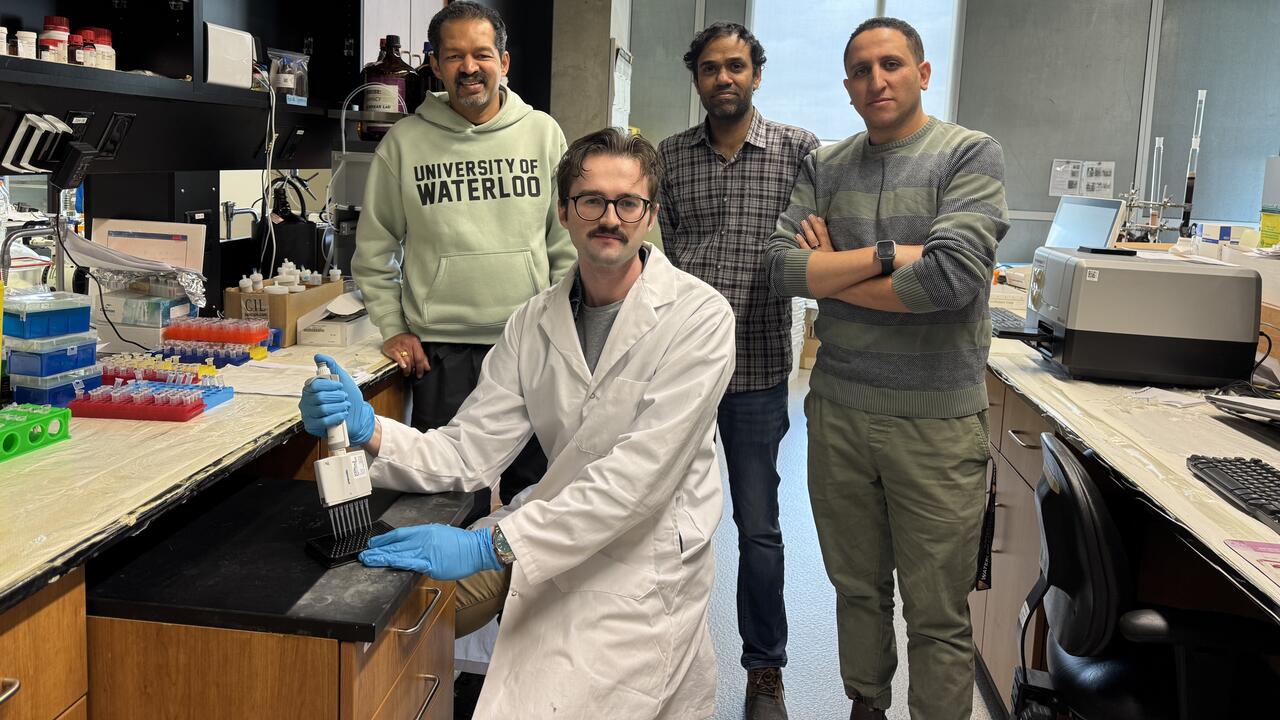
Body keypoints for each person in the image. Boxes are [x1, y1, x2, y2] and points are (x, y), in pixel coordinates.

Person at [303, 128, 735, 719]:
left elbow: (638, 481)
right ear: (563, 212)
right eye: (591, 201)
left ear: (651, 215)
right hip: (553, 525)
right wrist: (368, 429)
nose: (610, 218)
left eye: (628, 203)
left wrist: (491, 543)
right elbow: (469, 452)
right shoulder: (532, 322)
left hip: (645, 555)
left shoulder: (699, 318)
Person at [763, 17, 1009, 720]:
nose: (877, 80)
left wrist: (832, 272)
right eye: (861, 70)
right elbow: (781, 268)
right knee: (856, 589)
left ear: (922, 73)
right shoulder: (827, 166)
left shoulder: (968, 154)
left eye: (892, 64)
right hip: (839, 414)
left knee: (937, 611)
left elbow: (951, 279)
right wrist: (888, 254)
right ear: (848, 86)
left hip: (936, 426)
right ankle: (865, 705)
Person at [657, 22, 818, 720]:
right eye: (710, 68)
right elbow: (661, 255)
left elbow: (815, 241)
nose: (723, 78)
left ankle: (765, 672)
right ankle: (658, 659)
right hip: (681, 368)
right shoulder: (669, 157)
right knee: (662, 518)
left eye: (736, 66)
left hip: (756, 365)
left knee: (758, 526)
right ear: (696, 78)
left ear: (756, 73)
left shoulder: (798, 151)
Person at [352, 0, 574, 506]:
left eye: (482, 54)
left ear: (504, 61)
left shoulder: (543, 134)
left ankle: (514, 566)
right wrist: (393, 326)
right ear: (435, 64)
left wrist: (563, 329)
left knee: (535, 495)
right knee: (445, 493)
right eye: (454, 56)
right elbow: (374, 250)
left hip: (532, 343)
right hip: (442, 352)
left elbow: (564, 244)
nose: (469, 67)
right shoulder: (404, 143)